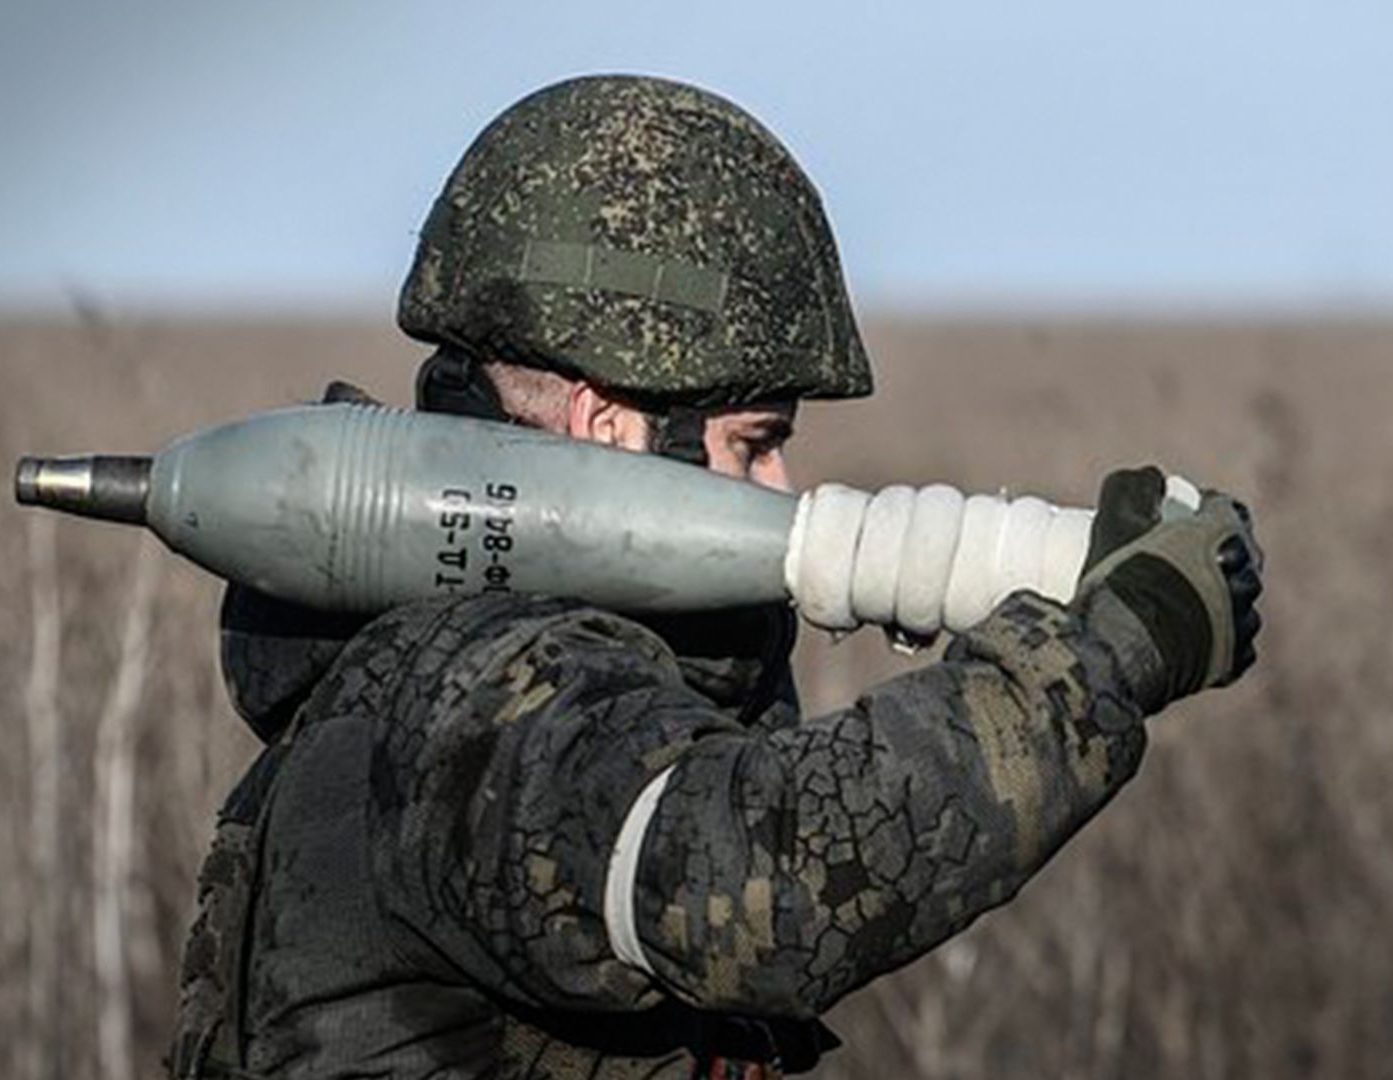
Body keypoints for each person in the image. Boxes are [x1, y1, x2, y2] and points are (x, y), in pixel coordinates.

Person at [169, 75, 1265, 1080]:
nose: (785, 485)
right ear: (610, 426)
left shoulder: (468, 682)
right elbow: (750, 881)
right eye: (755, 442)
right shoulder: (473, 700)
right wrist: (1112, 645)